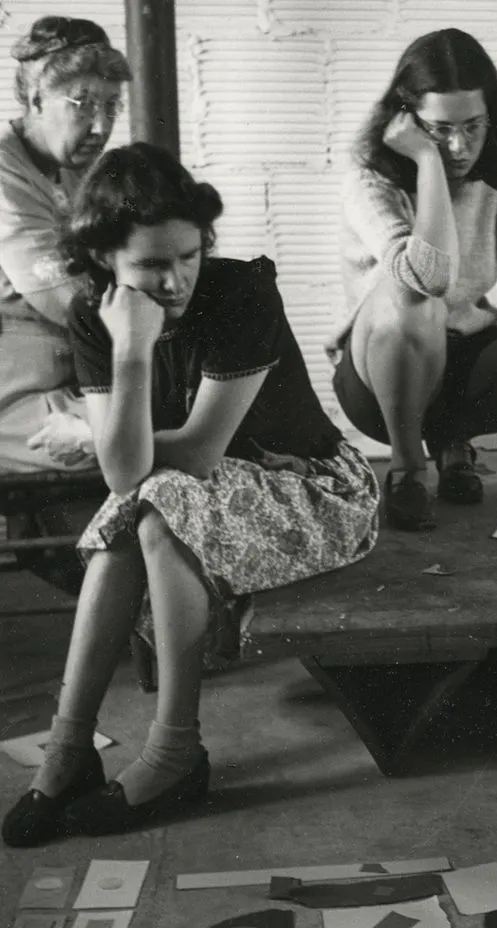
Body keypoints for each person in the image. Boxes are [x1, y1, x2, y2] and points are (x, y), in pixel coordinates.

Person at [1, 143, 380, 848]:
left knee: (155, 497)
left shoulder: (241, 292)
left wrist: (103, 419)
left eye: (188, 255)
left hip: (310, 485)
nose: (174, 280)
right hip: (198, 495)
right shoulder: (96, 315)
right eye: (150, 264)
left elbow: (200, 448)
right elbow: (126, 472)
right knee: (135, 506)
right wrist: (125, 352)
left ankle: (176, 751)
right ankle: (69, 747)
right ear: (105, 262)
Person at [330, 27, 497, 531]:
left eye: (473, 127)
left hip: (463, 368)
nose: (459, 145)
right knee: (415, 297)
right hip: (382, 373)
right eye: (439, 130)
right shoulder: (371, 182)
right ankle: (409, 468)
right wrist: (426, 162)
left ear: (492, 117)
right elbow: (426, 277)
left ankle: (457, 443)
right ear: (404, 119)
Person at [0, 16, 130, 472]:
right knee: (121, 443)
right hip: (11, 392)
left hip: (71, 375)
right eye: (82, 103)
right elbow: (64, 300)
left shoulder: (79, 166)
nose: (101, 125)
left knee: (156, 425)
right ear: (35, 98)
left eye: (113, 105)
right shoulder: (2, 169)